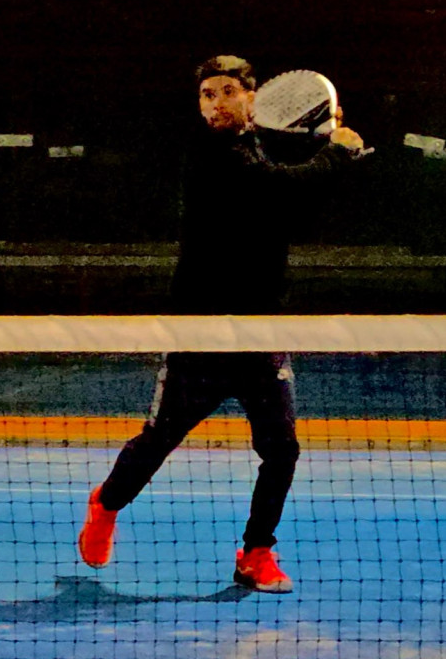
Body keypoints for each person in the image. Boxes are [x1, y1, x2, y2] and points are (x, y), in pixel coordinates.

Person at [77, 54, 366, 593]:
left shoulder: (259, 149)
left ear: (252, 97)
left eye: (227, 91)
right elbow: (277, 189)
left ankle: (256, 553)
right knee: (160, 439)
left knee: (281, 449)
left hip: (261, 330)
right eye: (207, 94)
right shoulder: (210, 156)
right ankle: (106, 504)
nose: (215, 104)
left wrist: (328, 148)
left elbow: (296, 206)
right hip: (201, 331)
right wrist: (336, 153)